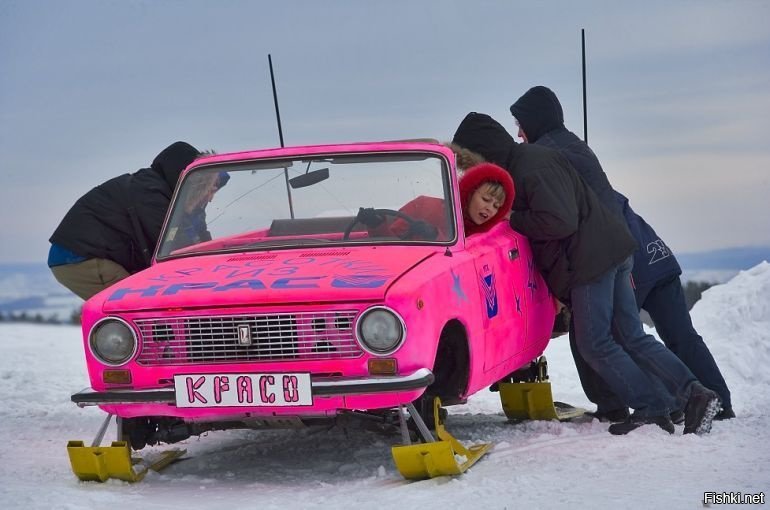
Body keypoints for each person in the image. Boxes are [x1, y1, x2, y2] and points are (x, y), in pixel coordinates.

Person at [452, 112, 721, 435]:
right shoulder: (536, 158)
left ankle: (654, 405)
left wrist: (514, 218)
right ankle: (694, 394)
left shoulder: (529, 168)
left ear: (485, 151)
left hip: (592, 262)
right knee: (632, 337)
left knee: (595, 344)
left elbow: (561, 220)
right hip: (613, 251)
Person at [510, 85, 733, 420]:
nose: (518, 134)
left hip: (625, 258)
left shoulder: (549, 160)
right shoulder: (575, 150)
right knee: (676, 336)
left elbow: (561, 220)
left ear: (533, 121)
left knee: (601, 338)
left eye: (520, 124)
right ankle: (717, 403)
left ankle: (645, 405)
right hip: (652, 250)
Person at [48, 141, 201, 300]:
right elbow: (174, 246)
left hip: (86, 253)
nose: (209, 198)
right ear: (184, 177)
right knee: (134, 304)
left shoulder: (159, 190)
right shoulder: (152, 195)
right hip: (78, 257)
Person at [359, 162, 514, 240]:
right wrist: (376, 225)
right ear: (469, 193)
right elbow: (391, 247)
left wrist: (435, 236)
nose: (490, 209)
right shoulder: (424, 206)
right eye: (486, 199)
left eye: (496, 206)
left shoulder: (489, 237)